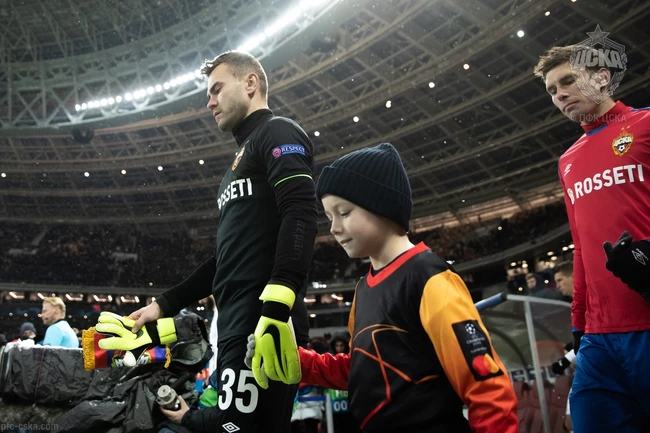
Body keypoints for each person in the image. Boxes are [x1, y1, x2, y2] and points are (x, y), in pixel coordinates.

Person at [128, 50, 318, 433]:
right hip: (235, 324)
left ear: (250, 83)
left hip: (263, 323)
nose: (209, 102)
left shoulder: (278, 132)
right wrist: (163, 304)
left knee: (238, 429)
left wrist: (276, 309)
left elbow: (300, 211)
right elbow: (224, 259)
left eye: (216, 89)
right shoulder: (234, 169)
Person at [288, 143, 519, 432]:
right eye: (329, 217)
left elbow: (487, 387)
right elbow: (364, 371)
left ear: (381, 205)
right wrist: (297, 361)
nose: (333, 228)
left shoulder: (429, 278)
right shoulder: (363, 289)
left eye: (344, 212)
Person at [535, 44, 650, 432]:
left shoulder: (646, 125)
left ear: (602, 77)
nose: (560, 94)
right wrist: (579, 322)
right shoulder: (567, 161)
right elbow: (582, 247)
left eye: (568, 81)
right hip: (599, 338)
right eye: (552, 90)